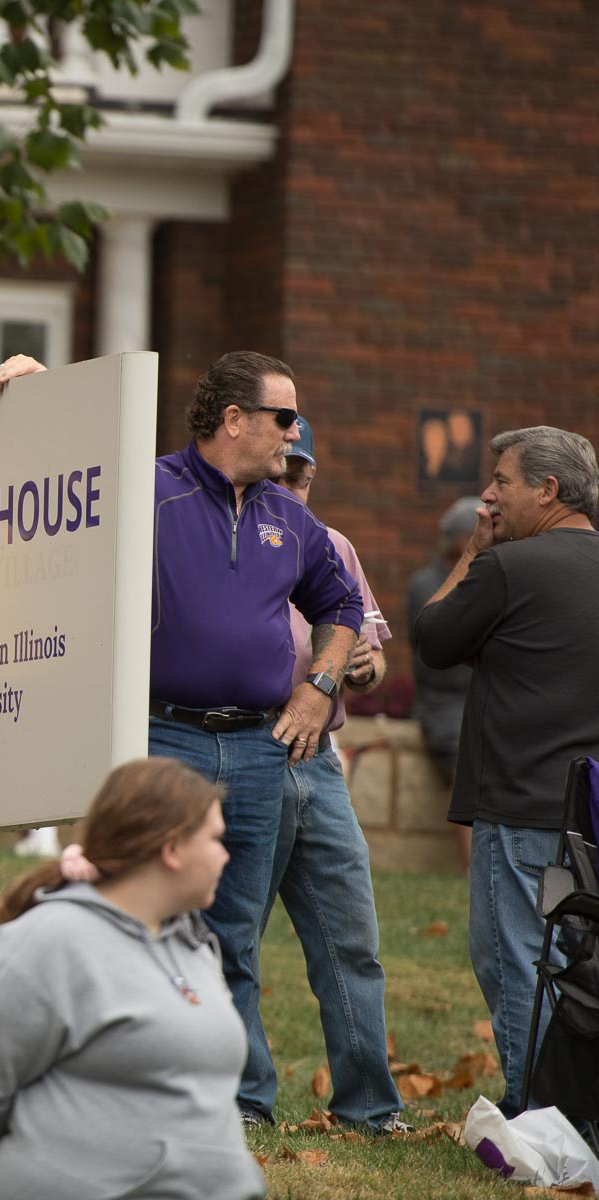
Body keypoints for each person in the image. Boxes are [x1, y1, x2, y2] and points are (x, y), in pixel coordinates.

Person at [1, 350, 362, 1125]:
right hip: (162, 740)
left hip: (260, 749)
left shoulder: (289, 517)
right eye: (284, 417)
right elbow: (60, 472)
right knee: (140, 917)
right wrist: (36, 392)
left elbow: (342, 608)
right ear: (233, 419)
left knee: (234, 931)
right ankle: (132, 1081)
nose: (295, 433)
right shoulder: (148, 488)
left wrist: (318, 688)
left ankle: (242, 1101)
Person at [0, 758, 266, 1200]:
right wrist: (69, 1151)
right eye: (215, 839)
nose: (226, 854)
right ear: (171, 849)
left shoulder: (192, 945)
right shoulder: (46, 941)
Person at [413, 425, 599, 1116]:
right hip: (591, 810)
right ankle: (580, 1110)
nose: (488, 495)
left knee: (518, 962)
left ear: (547, 490)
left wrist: (472, 553)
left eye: (502, 480)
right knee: (583, 965)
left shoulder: (507, 568)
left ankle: (539, 1116)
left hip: (520, 808)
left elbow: (434, 638)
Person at [268, 420, 409, 1131]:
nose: (291, 488)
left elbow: (376, 654)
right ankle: (241, 1105)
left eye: (302, 477)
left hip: (320, 761)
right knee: (230, 938)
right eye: (281, 474)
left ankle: (370, 1109)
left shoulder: (335, 547)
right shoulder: (233, 538)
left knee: (350, 937)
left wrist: (363, 667)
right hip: (248, 749)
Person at [405, 496, 482, 867]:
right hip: (442, 701)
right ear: (463, 538)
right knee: (466, 762)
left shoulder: (486, 578)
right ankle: (472, 868)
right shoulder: (426, 584)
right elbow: (437, 648)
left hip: (478, 695)